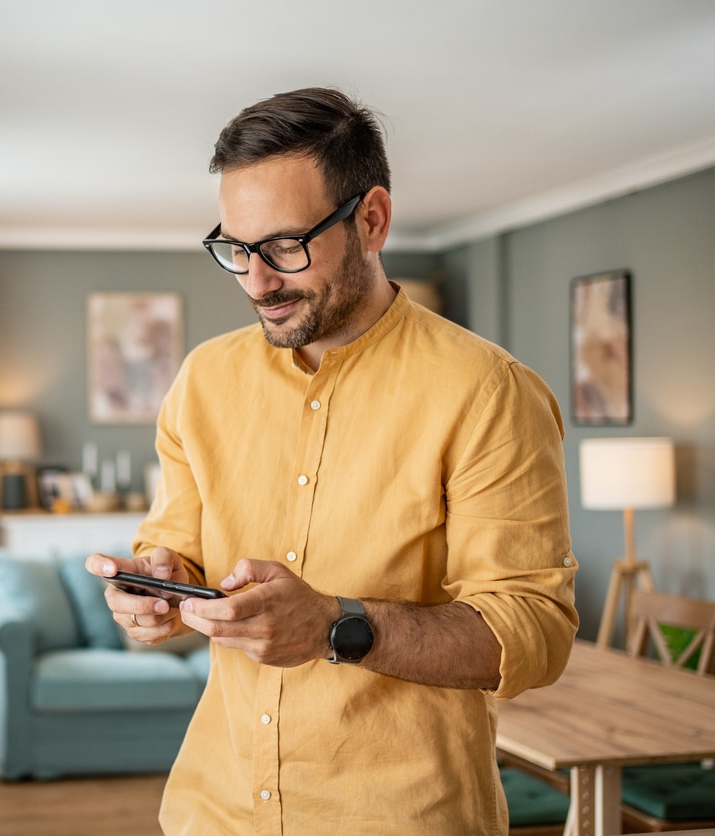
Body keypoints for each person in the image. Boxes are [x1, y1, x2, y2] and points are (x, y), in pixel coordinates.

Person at [86, 87, 578, 834]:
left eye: (286, 246)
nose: (257, 281)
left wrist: (332, 627)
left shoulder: (487, 392)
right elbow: (176, 550)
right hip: (211, 812)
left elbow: (533, 632)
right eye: (237, 249)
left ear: (372, 219)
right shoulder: (202, 381)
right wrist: (157, 589)